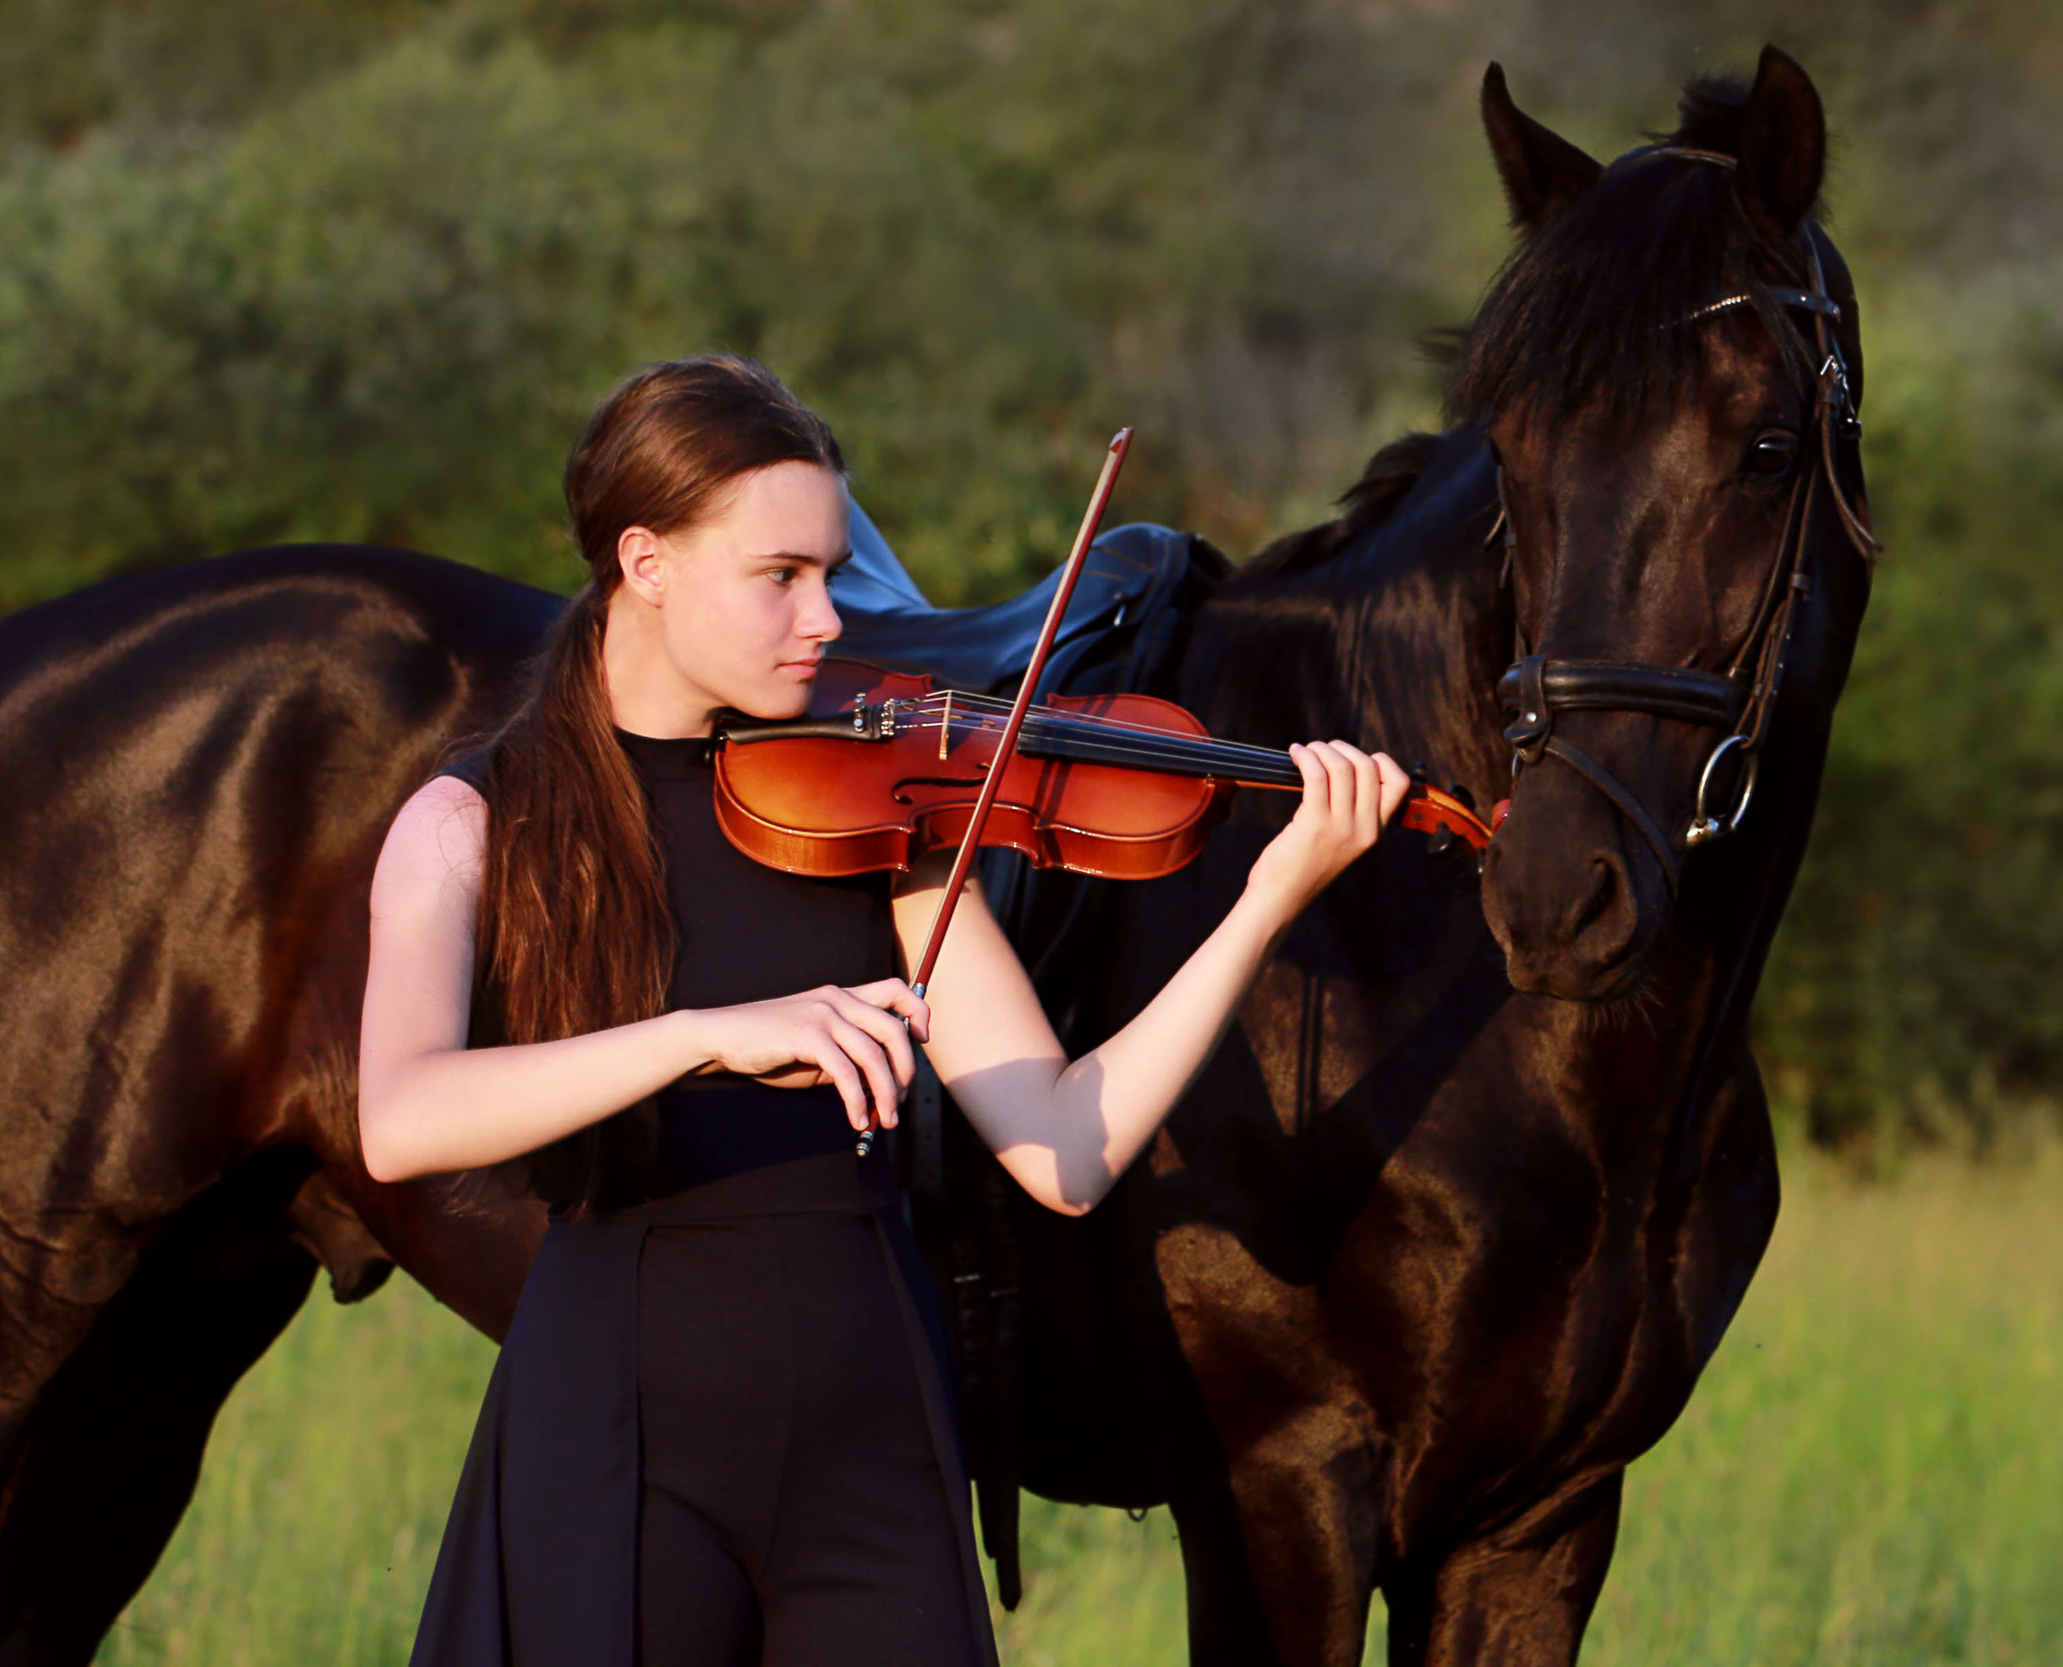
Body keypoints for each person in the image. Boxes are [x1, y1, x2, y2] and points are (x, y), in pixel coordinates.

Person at [357, 354, 1408, 1667]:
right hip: (620, 1435)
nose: (828, 618)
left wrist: (1268, 896)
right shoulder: (469, 824)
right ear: (646, 562)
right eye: (781, 577)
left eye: (834, 571)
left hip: (874, 1442)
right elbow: (399, 1118)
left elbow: (1064, 1148)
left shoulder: (878, 823)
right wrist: (707, 1036)